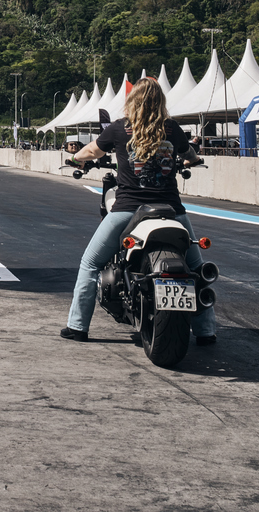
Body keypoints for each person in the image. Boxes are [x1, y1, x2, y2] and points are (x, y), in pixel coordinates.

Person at [61, 78, 217, 345]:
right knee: (195, 268)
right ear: (161, 101)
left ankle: (77, 326)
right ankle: (205, 331)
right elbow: (188, 152)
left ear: (133, 101)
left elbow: (92, 150)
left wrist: (75, 158)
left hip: (128, 210)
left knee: (90, 263)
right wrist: (193, 159)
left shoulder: (119, 128)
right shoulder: (172, 128)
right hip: (172, 211)